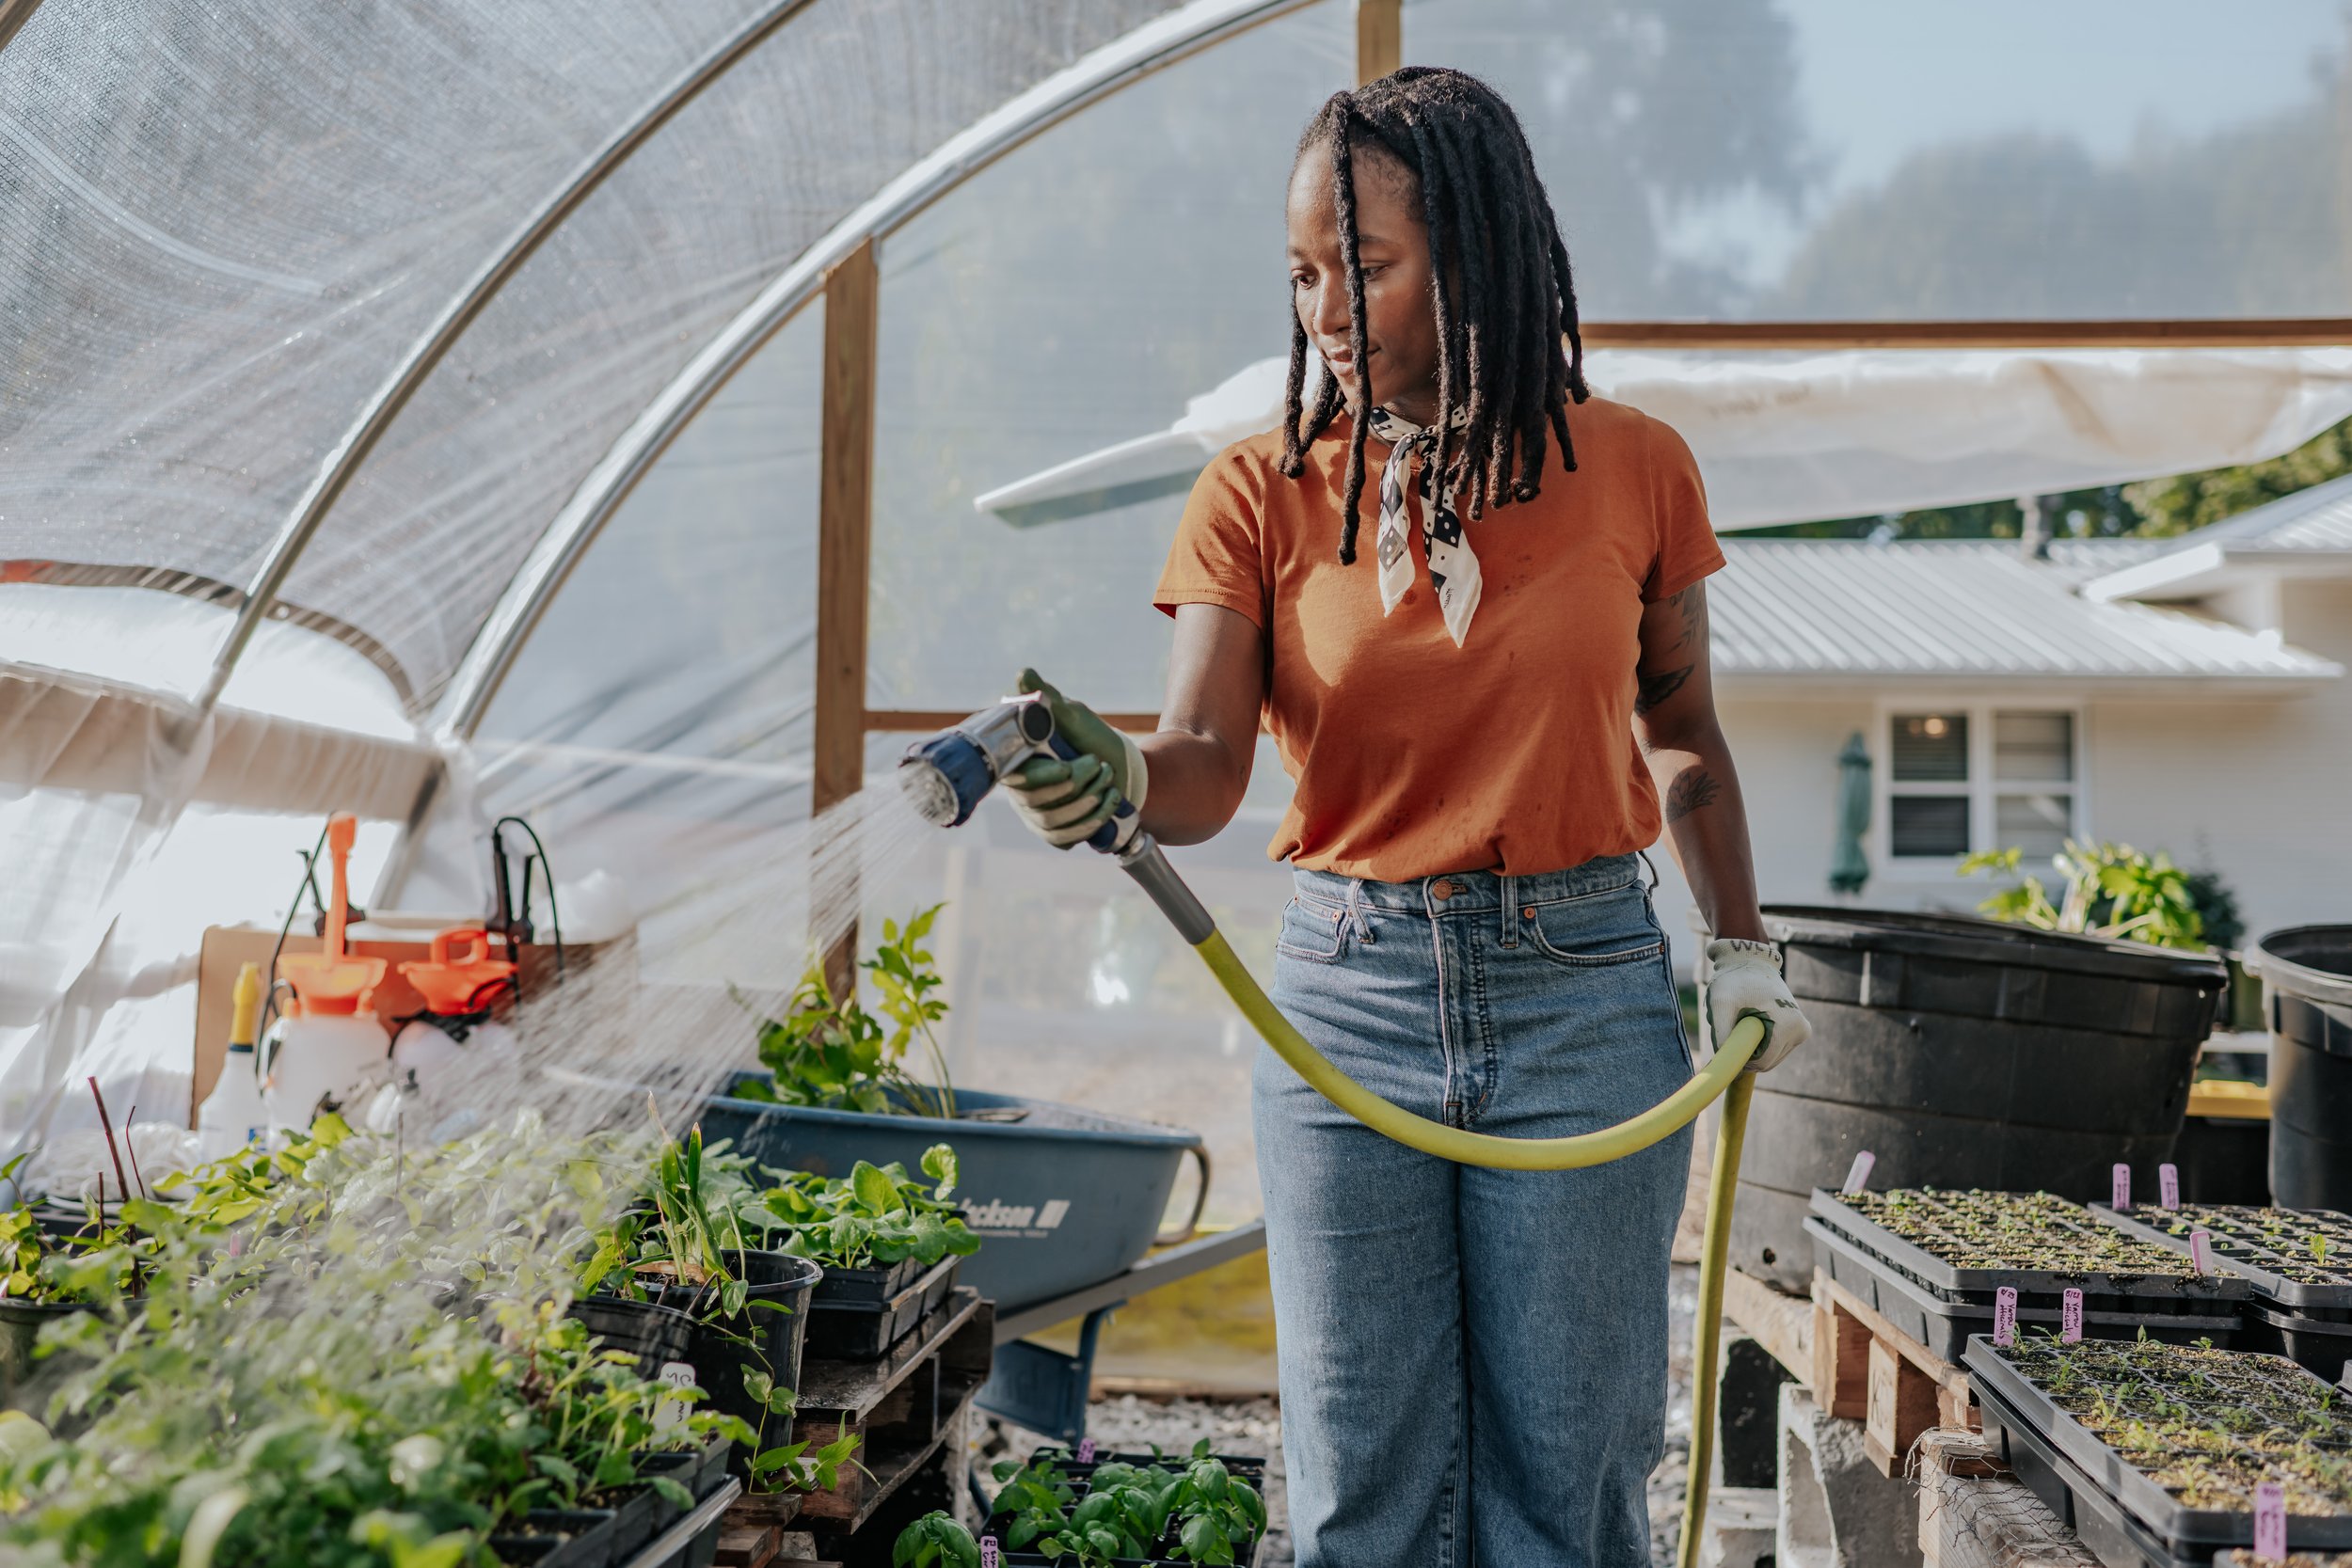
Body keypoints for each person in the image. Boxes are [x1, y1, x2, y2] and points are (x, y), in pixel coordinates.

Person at [1001, 67, 1809, 1568]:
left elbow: (1682, 732)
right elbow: (1200, 761)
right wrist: (1113, 778)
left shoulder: (1632, 467)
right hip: (1344, 999)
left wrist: (1743, 948)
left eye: (1363, 266)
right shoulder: (1260, 488)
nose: (1321, 304)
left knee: (1561, 1490)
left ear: (1479, 255)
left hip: (1583, 1000)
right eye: (1302, 271)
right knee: (1365, 1489)